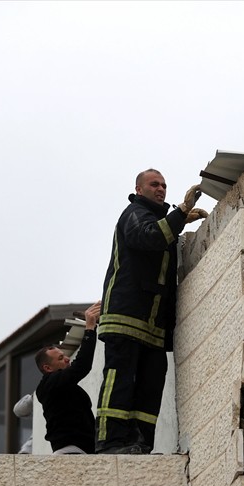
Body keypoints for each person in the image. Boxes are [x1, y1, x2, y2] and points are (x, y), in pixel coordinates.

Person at [95, 168, 207, 454]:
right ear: (139, 188)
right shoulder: (134, 213)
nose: (161, 189)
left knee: (150, 387)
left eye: (164, 185)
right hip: (126, 318)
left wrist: (179, 221)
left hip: (152, 326)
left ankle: (139, 443)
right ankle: (110, 442)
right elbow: (151, 237)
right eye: (154, 184)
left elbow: (162, 235)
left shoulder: (155, 217)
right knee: (120, 381)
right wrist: (182, 211)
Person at [36, 301, 102, 454]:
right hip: (71, 452)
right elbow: (81, 366)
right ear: (47, 368)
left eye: (64, 355)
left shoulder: (60, 386)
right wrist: (90, 329)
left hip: (82, 451)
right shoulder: (49, 384)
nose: (67, 358)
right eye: (60, 358)